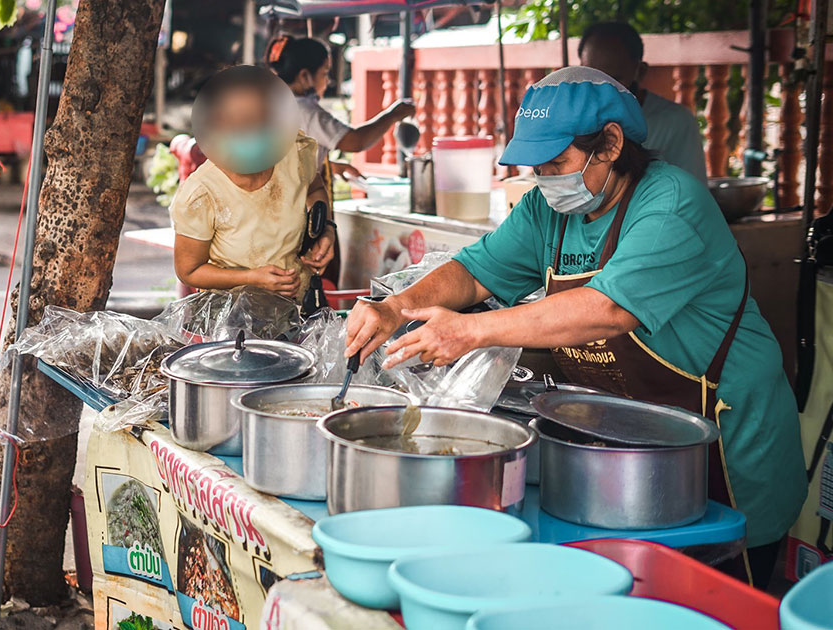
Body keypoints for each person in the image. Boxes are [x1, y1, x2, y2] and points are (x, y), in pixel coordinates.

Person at [344, 67, 805, 587]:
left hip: (728, 449)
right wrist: (395, 307)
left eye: (558, 163)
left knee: (715, 602)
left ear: (610, 143)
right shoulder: (546, 210)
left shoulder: (672, 203)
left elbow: (607, 310)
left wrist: (472, 332)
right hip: (632, 452)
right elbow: (475, 271)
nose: (545, 179)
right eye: (537, 166)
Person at [170, 65, 333, 299]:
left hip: (296, 311)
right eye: (239, 121)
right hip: (231, 319)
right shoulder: (201, 193)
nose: (251, 128)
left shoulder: (293, 154)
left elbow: (315, 188)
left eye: (261, 119)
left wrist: (326, 230)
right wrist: (252, 278)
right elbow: (189, 270)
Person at [266, 35, 415, 179]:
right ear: (304, 76)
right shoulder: (305, 111)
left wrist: (331, 167)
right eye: (324, 73)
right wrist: (392, 115)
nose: (328, 81)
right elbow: (355, 141)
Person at [578, 21, 708, 182]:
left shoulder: (676, 122)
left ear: (639, 71)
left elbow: (692, 193)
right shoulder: (575, 120)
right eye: (591, 77)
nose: (602, 90)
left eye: (614, 80)